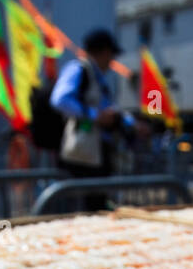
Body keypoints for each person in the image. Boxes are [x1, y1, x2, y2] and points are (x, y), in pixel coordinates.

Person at [50, 28, 136, 206]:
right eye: (111, 55)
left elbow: (107, 107)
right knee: (81, 205)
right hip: (81, 155)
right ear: (104, 52)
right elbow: (60, 99)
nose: (112, 61)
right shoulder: (79, 69)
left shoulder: (98, 78)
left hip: (97, 152)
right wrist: (94, 116)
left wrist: (129, 122)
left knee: (97, 203)